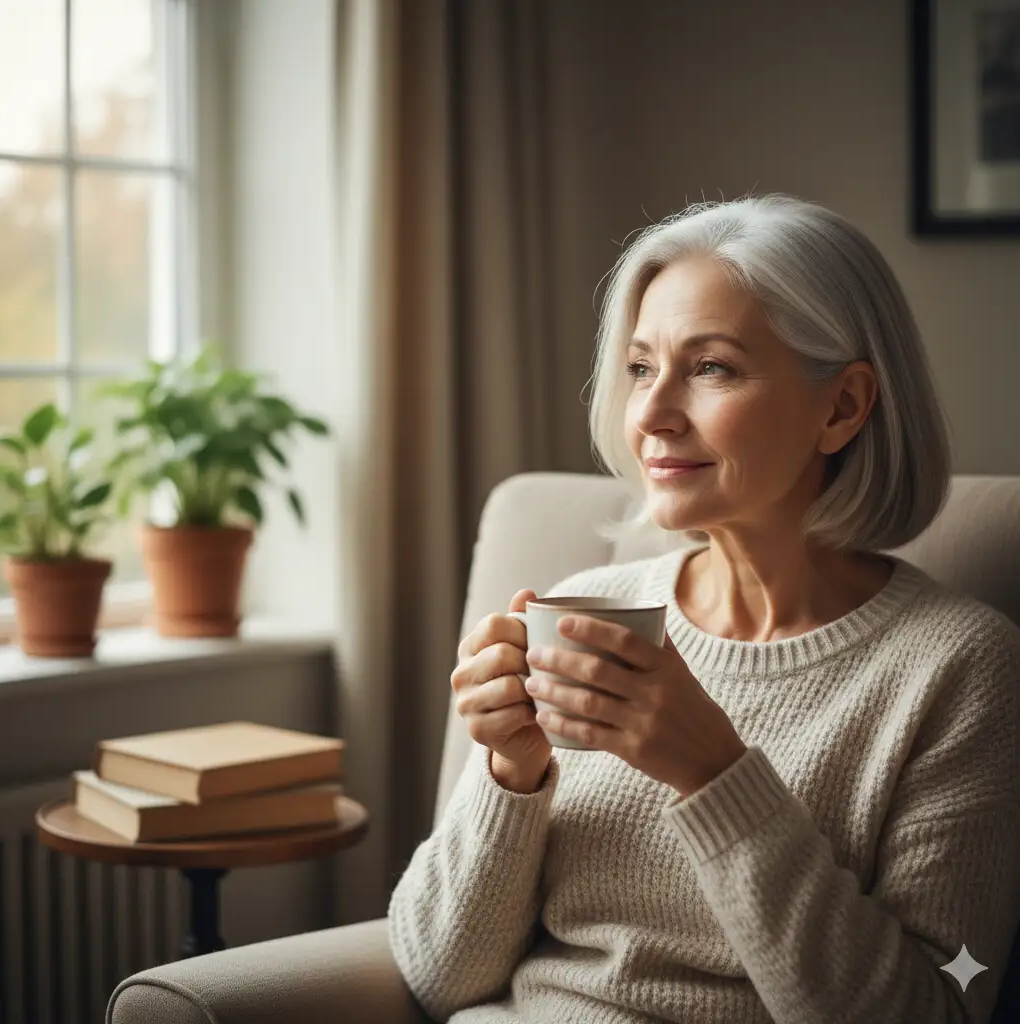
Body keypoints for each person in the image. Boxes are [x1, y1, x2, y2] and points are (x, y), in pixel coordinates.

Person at [388, 195, 1020, 1023]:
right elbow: (436, 976)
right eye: (642, 368)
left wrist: (714, 775)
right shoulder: (594, 614)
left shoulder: (961, 669)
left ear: (843, 408)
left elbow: (943, 1006)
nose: (649, 415)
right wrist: (512, 773)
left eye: (712, 367)